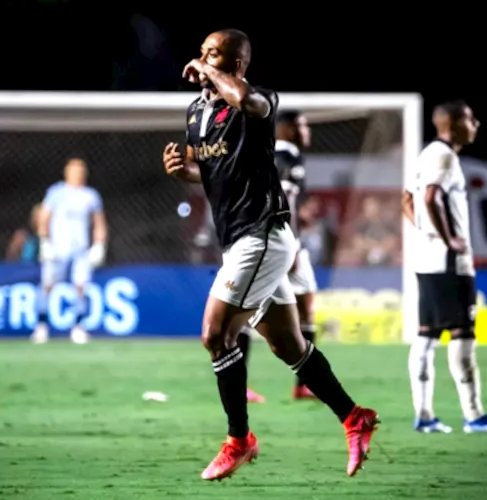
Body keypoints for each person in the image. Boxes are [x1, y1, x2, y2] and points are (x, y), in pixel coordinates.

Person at [161, 29, 379, 481]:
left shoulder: (257, 100)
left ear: (237, 63)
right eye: (201, 53)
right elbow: (218, 173)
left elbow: (245, 99)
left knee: (215, 335)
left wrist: (210, 72)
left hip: (261, 234)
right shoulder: (198, 111)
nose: (202, 61)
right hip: (240, 239)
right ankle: (353, 417)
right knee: (287, 344)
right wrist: (188, 172)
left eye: (215, 55)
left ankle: (239, 440)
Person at [401, 100, 487, 434]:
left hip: (427, 258)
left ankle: (424, 416)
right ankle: (474, 416)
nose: (476, 123)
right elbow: (429, 198)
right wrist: (448, 238)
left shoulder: (426, 154)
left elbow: (407, 200)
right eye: (470, 118)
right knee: (463, 333)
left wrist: (426, 234)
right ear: (452, 123)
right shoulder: (445, 156)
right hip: (448, 262)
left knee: (427, 333)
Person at [235, 110, 318, 402]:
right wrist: (292, 242)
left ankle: (304, 384)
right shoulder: (286, 157)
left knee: (303, 305)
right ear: (287, 128)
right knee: (247, 312)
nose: (308, 131)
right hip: (282, 242)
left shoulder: (272, 155)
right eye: (303, 125)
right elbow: (283, 201)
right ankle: (245, 386)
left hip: (278, 239)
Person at [33, 158, 108, 344]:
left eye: (81, 171)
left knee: (81, 288)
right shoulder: (56, 193)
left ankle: (78, 327)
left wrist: (99, 245)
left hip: (80, 250)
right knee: (47, 286)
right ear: (67, 172)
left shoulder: (90, 196)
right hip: (57, 249)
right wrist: (44, 242)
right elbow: (44, 218)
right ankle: (41, 326)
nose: (77, 174)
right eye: (74, 171)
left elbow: (99, 223)